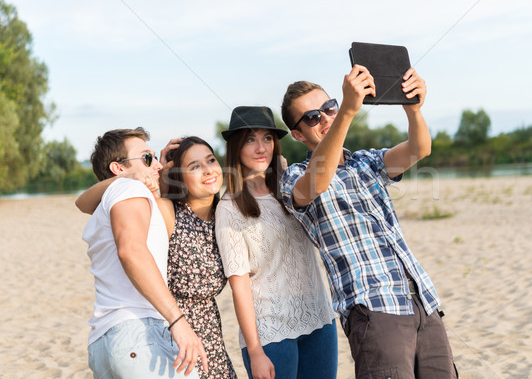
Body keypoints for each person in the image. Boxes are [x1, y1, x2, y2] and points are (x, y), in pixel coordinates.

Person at [279, 66, 458, 379]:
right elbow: (317, 184)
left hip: (421, 300)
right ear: (297, 134)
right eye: (311, 117)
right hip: (372, 307)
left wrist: (413, 109)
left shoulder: (366, 160)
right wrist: (347, 112)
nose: (324, 118)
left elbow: (419, 149)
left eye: (329, 108)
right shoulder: (294, 176)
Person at [77, 134, 236, 378]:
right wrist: (177, 320)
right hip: (140, 332)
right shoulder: (128, 188)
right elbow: (130, 250)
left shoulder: (123, 197)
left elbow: (82, 203)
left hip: (112, 337)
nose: (158, 165)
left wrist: (152, 175)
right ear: (118, 168)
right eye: (147, 158)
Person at [215, 106, 337, 379]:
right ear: (236, 147)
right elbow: (240, 285)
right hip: (271, 331)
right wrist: (256, 350)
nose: (261, 148)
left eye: (267, 139)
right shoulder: (230, 208)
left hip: (320, 319)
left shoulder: (292, 186)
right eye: (250, 139)